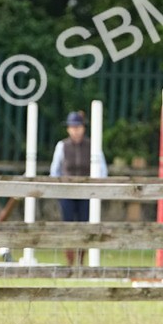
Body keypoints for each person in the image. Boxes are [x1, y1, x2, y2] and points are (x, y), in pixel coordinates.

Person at [49, 111, 108, 265]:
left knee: (84, 225)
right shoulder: (62, 146)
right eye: (72, 127)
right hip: (67, 192)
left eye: (78, 126)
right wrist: (57, 188)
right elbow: (55, 170)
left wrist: (97, 188)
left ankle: (81, 260)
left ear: (83, 128)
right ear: (68, 129)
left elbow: (102, 170)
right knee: (68, 225)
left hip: (87, 192)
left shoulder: (92, 146)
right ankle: (70, 260)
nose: (75, 130)